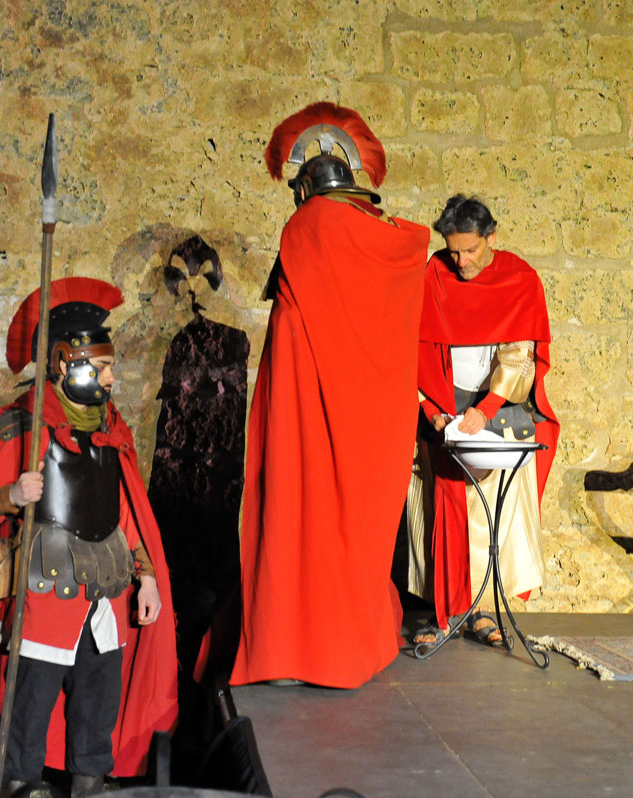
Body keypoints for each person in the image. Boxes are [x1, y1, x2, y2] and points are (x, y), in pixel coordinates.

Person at [0, 277, 178, 797]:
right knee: (28, 712)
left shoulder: (110, 430)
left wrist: (148, 577)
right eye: (101, 366)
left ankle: (88, 786)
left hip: (106, 596)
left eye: (110, 366)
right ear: (65, 363)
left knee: (97, 710)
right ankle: (18, 786)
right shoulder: (21, 428)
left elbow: (126, 516)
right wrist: (10, 495)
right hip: (44, 597)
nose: (111, 377)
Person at [230, 103, 430, 688]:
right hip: (375, 418)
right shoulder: (390, 237)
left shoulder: (308, 228)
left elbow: (295, 325)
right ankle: (352, 644)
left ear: (306, 186)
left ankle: (293, 647)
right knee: (356, 531)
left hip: (310, 410)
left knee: (302, 515)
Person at [410, 195, 560, 645]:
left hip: (495, 407)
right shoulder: (435, 275)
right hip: (443, 406)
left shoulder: (519, 279)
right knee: (443, 513)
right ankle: (443, 614)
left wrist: (486, 408)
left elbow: (520, 355)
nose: (461, 261)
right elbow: (415, 349)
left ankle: (480, 611)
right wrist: (432, 409)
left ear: (492, 237)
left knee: (490, 515)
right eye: (453, 251)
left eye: (471, 250)